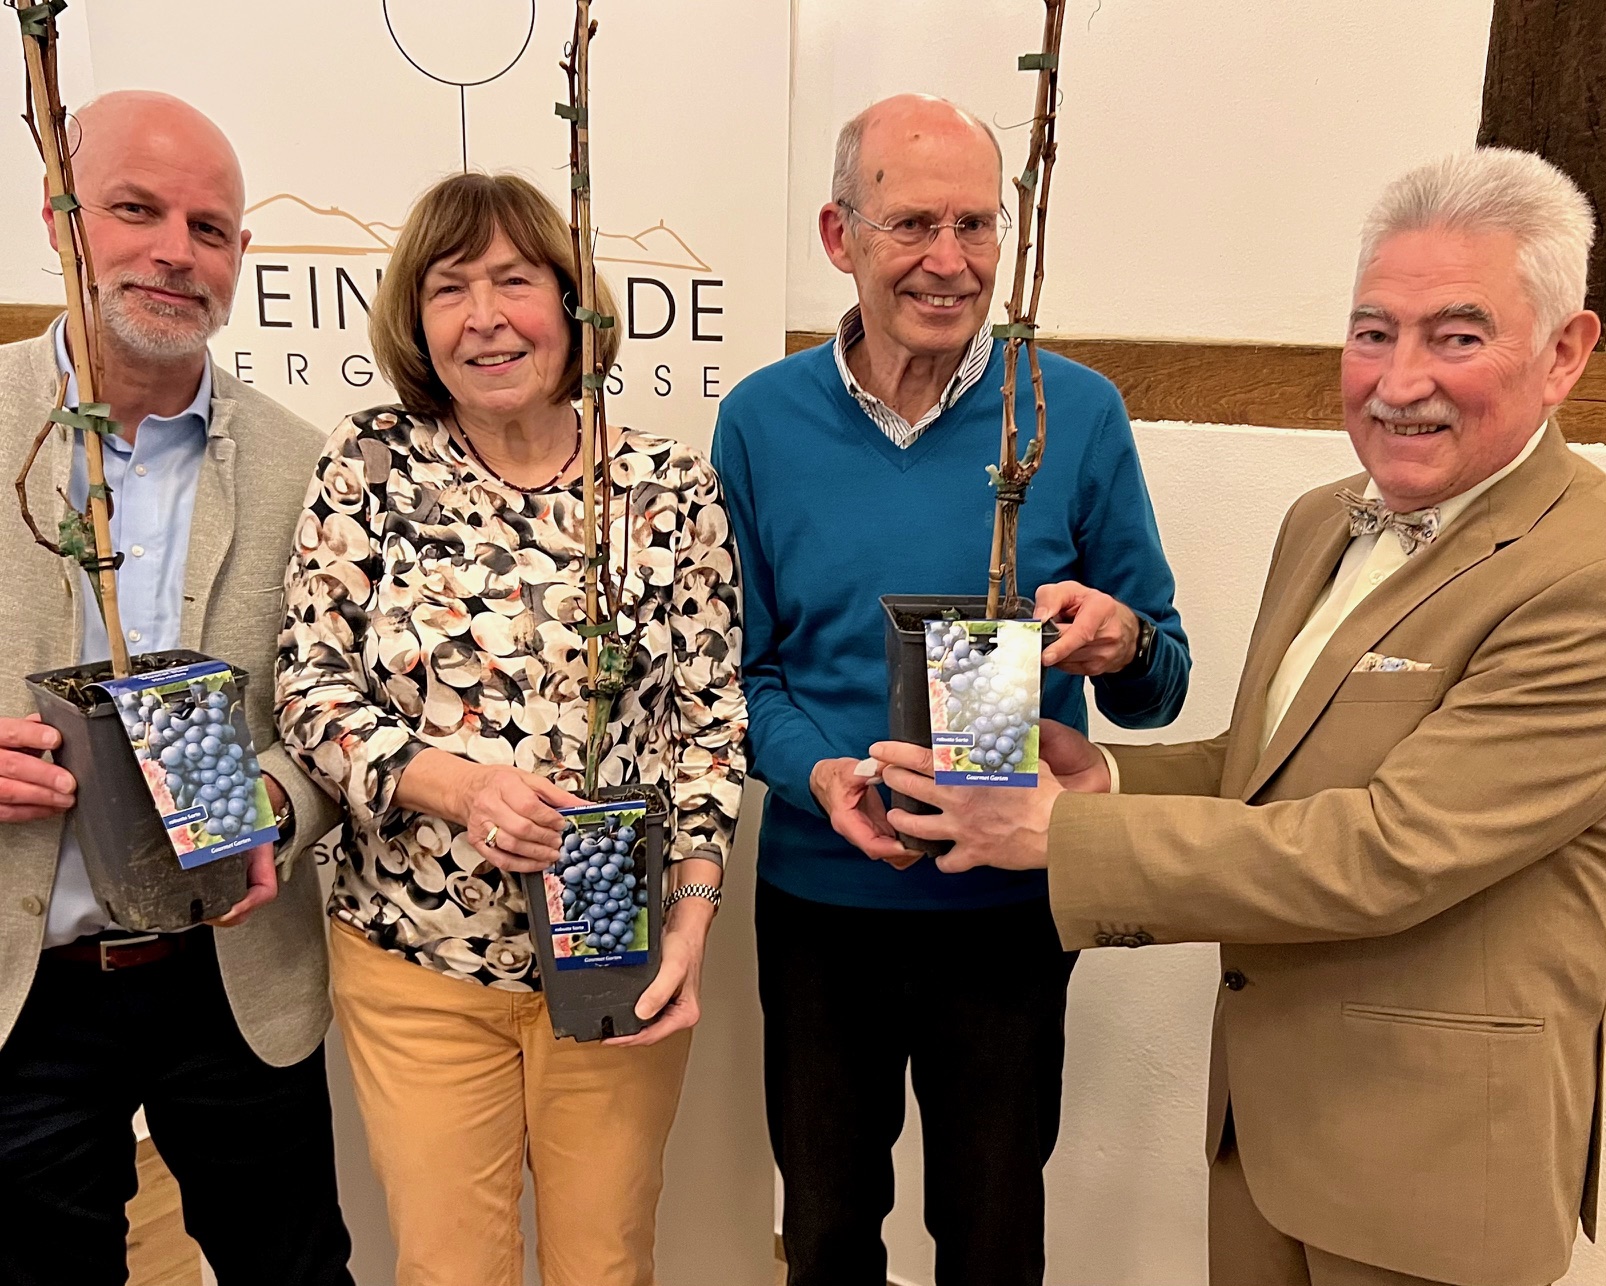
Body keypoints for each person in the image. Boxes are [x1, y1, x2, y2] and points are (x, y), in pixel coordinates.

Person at [872, 148, 1606, 1286]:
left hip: (1436, 1163)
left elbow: (1389, 848)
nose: (1398, 380)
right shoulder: (1325, 518)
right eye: (1372, 332)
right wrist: (1107, 778)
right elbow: (1271, 768)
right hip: (1263, 1136)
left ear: (1564, 352)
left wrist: (1060, 833)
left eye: (1457, 337)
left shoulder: (1586, 570)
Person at [711, 94, 1189, 1286]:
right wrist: (820, 776)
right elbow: (744, 674)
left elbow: (1159, 685)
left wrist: (1121, 642)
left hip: (1010, 902)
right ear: (840, 235)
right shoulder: (760, 422)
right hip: (822, 902)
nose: (949, 259)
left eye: (976, 224)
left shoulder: (1071, 413)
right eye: (913, 223)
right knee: (825, 1228)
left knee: (992, 1234)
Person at [276, 170, 746, 1286]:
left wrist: (689, 919)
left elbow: (709, 725)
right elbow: (308, 687)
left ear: (574, 304)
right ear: (416, 320)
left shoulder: (668, 487)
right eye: (450, 288)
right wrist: (460, 786)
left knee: (605, 1262)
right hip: (417, 958)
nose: (483, 316)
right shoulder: (370, 462)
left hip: (613, 950)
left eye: (513, 281)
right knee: (450, 1269)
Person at [0, 92, 352, 1285]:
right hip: (24, 985)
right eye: (136, 210)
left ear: (240, 255)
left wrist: (276, 800)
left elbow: (339, 711)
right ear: (61, 217)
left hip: (233, 976)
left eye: (208, 228)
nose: (174, 252)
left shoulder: (310, 464)